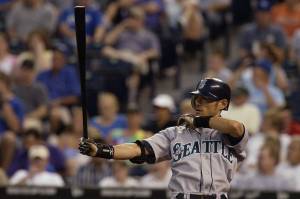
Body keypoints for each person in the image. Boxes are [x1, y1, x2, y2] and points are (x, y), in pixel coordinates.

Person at [79, 78, 248, 199]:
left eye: (206, 99)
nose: (199, 103)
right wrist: (103, 150)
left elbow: (235, 127)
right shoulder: (175, 133)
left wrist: (198, 121)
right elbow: (139, 148)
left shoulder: (228, 134)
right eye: (198, 98)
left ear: (223, 103)